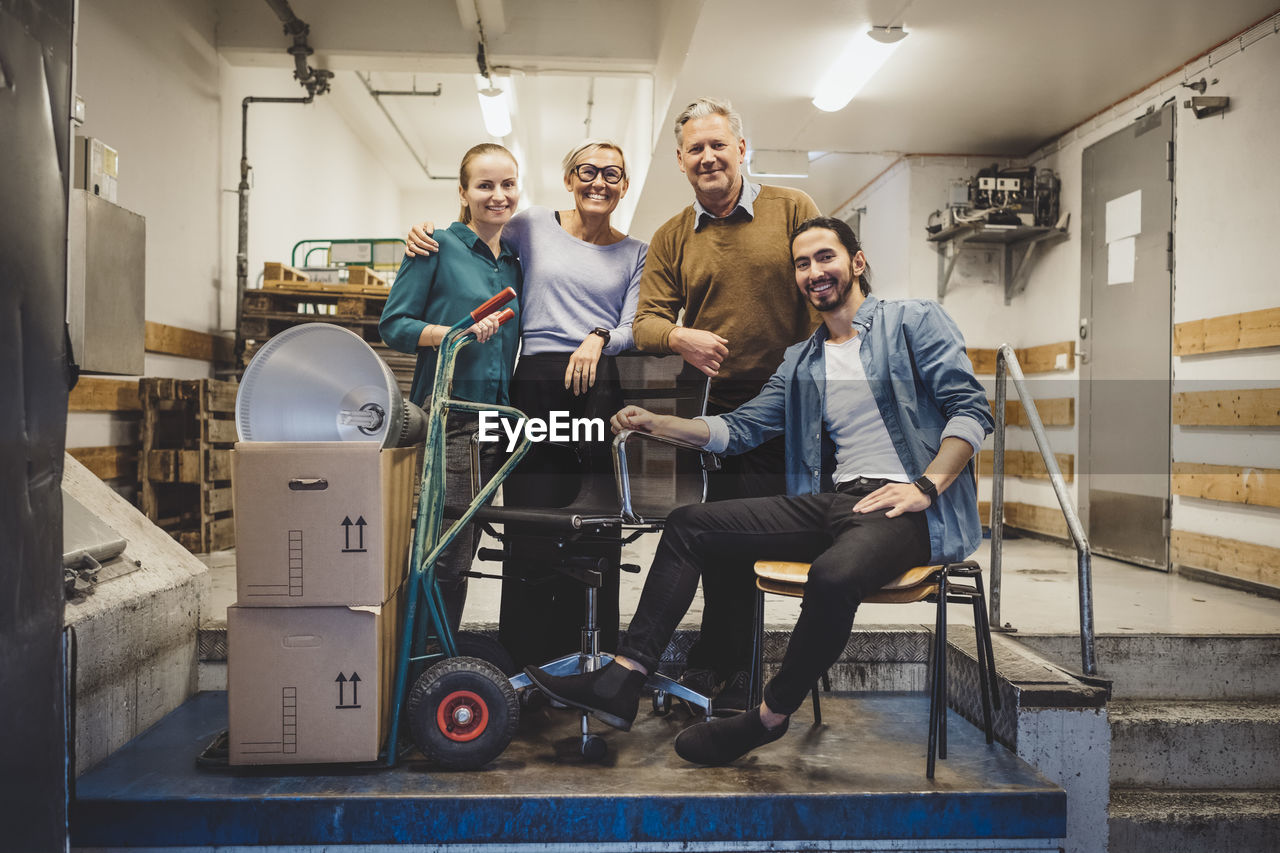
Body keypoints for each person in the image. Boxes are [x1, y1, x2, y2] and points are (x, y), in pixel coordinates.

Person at [524, 216, 994, 766]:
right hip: (838, 501)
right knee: (689, 524)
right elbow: (741, 428)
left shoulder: (913, 321)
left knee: (833, 575)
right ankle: (623, 678)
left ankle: (768, 717)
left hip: (908, 508)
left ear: (856, 262)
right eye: (802, 263)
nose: (814, 272)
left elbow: (971, 409)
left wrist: (925, 487)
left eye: (826, 257)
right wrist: (657, 423)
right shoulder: (802, 360)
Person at [404, 141, 646, 668]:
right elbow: (473, 237)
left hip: (597, 384)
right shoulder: (530, 225)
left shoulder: (636, 252)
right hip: (532, 388)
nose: (599, 181)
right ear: (568, 178)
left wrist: (600, 336)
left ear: (625, 184)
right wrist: (426, 235)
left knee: (595, 529)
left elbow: (635, 325)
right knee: (528, 526)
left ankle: (590, 658)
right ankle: (526, 662)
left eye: (612, 173)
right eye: (587, 171)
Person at [630, 97, 822, 712]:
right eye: (695, 149)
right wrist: (679, 335)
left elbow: (824, 290)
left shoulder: (793, 208)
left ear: (742, 149)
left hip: (789, 411)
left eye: (719, 145)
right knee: (719, 546)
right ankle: (725, 675)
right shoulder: (672, 236)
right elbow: (647, 321)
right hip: (714, 413)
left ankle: (734, 675)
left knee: (756, 544)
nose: (708, 156)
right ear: (682, 163)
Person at [380, 142, 523, 635]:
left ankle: (440, 654)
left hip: (496, 423)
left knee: (463, 550)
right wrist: (451, 335)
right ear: (463, 192)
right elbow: (394, 325)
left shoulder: (514, 262)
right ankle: (421, 667)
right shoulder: (436, 246)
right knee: (443, 549)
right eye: (485, 185)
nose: (497, 195)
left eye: (507, 184)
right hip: (449, 418)